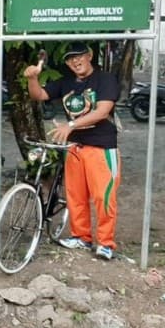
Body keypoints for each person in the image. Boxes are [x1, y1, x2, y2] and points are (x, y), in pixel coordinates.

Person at [24, 42, 121, 260]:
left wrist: (70, 126)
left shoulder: (104, 80)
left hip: (101, 146)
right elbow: (39, 95)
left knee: (103, 197)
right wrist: (32, 78)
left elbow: (102, 111)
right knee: (75, 195)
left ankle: (106, 243)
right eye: (70, 59)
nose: (75, 61)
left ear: (89, 56)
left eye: (79, 56)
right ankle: (81, 237)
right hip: (75, 147)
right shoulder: (66, 82)